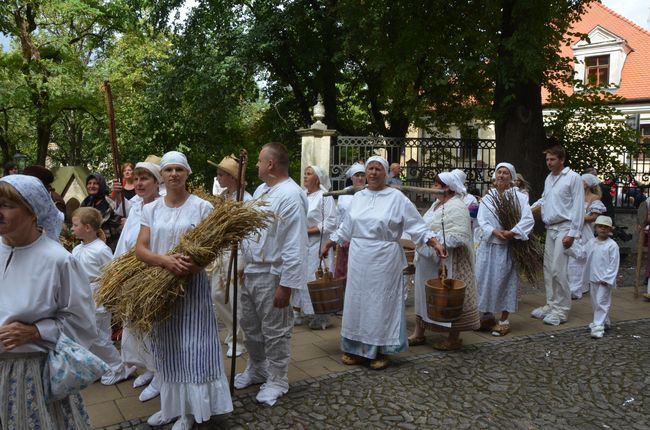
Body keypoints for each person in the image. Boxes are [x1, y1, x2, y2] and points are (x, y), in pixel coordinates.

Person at [135, 151, 233, 428]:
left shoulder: (202, 208)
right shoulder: (150, 209)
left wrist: (195, 266)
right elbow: (141, 249)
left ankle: (191, 411)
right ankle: (171, 406)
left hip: (192, 288)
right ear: (162, 176)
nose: (174, 174)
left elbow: (213, 249)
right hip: (161, 289)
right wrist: (164, 260)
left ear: (187, 173)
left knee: (193, 347)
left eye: (179, 169)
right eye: (169, 170)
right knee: (167, 347)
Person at [321, 156, 444, 369]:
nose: (373, 172)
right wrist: (329, 242)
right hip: (359, 257)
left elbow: (417, 225)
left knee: (380, 304)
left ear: (385, 173)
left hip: (384, 258)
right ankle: (356, 348)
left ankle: (379, 350)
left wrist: (433, 241)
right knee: (357, 302)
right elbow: (346, 227)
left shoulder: (397, 198)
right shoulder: (358, 197)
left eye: (378, 169)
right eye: (370, 168)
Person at [0, 175, 97, 428]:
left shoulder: (58, 261)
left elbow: (83, 323)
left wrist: (35, 331)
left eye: (7, 206)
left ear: (34, 212)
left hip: (33, 376)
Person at [236, 142, 308, 406]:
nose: (255, 164)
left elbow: (293, 243)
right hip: (252, 270)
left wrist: (286, 284)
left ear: (271, 164)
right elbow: (254, 233)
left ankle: (278, 378)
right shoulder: (261, 191)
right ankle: (257, 367)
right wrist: (244, 262)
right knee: (250, 326)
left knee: (276, 330)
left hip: (273, 274)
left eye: (259, 160)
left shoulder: (290, 194)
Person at [408, 171, 480, 350]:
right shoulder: (436, 204)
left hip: (449, 260)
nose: (432, 187)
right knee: (424, 295)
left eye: (435, 184)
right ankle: (419, 332)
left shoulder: (457, 206)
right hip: (428, 258)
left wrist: (436, 242)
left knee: (450, 297)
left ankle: (453, 338)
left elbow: (459, 235)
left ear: (447, 187)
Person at [113, 158, 162, 402]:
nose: (140, 183)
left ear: (156, 182)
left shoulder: (161, 207)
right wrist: (116, 269)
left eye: (146, 179)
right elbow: (125, 241)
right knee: (135, 325)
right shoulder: (135, 207)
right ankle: (148, 368)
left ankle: (161, 374)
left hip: (150, 274)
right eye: (137, 179)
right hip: (130, 274)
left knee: (152, 326)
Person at [71, 207, 136, 385]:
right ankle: (102, 366)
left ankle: (119, 367)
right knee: (91, 336)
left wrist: (110, 297)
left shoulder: (101, 249)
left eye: (75, 225)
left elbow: (112, 274)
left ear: (88, 227)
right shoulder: (77, 249)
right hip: (82, 296)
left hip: (98, 296)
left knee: (98, 336)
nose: (72, 228)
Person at [475, 163, 534, 336]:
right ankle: (487, 316)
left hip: (507, 246)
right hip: (489, 244)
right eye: (499, 172)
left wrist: (512, 232)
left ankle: (504, 319)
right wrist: (493, 231)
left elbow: (528, 219)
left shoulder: (519, 197)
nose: (501, 175)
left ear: (511, 177)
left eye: (505, 173)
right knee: (484, 280)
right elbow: (481, 220)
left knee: (504, 280)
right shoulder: (488, 197)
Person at [530, 145, 584, 326]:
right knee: (548, 269)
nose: (549, 163)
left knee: (558, 269)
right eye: (547, 160)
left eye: (552, 159)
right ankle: (551, 304)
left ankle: (561, 310)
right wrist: (527, 210)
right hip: (551, 227)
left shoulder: (573, 178)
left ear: (562, 159)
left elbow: (578, 206)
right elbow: (545, 199)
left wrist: (573, 233)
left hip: (565, 228)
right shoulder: (549, 178)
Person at [206, 154, 251, 359]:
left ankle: (239, 339)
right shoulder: (223, 198)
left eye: (221, 174)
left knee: (234, 297)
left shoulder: (246, 199)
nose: (218, 178)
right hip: (221, 253)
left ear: (232, 177)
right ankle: (234, 330)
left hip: (238, 252)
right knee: (217, 295)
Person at [303, 165, 337, 330]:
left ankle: (322, 316)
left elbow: (330, 222)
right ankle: (305, 312)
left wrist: (309, 231)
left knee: (316, 276)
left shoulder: (325, 196)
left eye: (308, 174)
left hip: (318, 242)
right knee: (303, 277)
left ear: (317, 178)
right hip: (302, 243)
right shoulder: (303, 195)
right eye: (305, 173)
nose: (305, 176)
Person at [567, 173, 606, 300]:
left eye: (581, 182)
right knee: (571, 261)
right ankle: (570, 286)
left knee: (580, 260)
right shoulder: (576, 196)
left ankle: (579, 288)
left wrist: (579, 218)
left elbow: (594, 217)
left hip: (584, 232)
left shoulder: (594, 198)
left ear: (587, 184)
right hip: (573, 230)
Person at [582, 216, 619, 339]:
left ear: (609, 230)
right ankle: (605, 321)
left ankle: (598, 325)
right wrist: (570, 248)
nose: (603, 229)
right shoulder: (591, 242)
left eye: (606, 227)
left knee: (602, 301)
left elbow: (614, 263)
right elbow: (582, 253)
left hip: (604, 280)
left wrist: (608, 278)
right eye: (600, 226)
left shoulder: (612, 245)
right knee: (595, 302)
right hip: (594, 278)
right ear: (596, 228)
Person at [334, 163, 366, 278]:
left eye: (362, 175)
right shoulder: (344, 193)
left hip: (361, 238)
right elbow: (339, 215)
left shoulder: (369, 193)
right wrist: (336, 236)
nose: (360, 178)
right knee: (344, 270)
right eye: (357, 175)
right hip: (345, 237)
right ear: (351, 177)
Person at [82, 172, 123, 251]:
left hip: (110, 244)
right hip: (90, 245)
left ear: (101, 185)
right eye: (89, 183)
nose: (91, 186)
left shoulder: (109, 201)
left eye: (95, 183)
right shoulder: (86, 202)